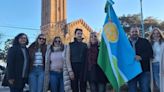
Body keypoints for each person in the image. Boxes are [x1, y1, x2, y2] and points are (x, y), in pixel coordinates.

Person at [127, 26, 153, 92]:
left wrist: (141, 57)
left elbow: (150, 53)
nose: (134, 33)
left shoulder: (145, 41)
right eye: (133, 31)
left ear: (139, 32)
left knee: (145, 89)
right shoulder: (125, 43)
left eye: (136, 31)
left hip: (143, 70)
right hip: (130, 71)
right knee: (132, 89)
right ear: (130, 33)